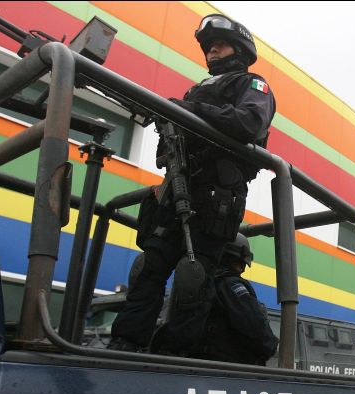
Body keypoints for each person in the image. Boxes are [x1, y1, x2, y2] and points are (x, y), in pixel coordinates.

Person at [107, 13, 276, 353]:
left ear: (239, 49)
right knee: (147, 270)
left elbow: (250, 123)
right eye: (209, 47)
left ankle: (176, 355)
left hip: (216, 199)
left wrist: (191, 110)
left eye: (220, 45)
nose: (212, 52)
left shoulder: (253, 85)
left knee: (193, 279)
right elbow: (165, 150)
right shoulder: (197, 90)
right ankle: (125, 344)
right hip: (177, 192)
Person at [155, 233, 278, 364]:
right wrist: (271, 346)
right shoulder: (230, 284)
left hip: (195, 362)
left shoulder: (199, 281)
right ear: (236, 260)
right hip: (225, 368)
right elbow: (255, 328)